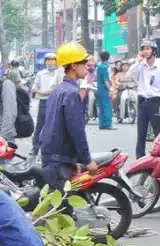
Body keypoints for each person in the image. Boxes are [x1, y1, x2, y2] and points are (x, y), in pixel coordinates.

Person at [38, 42, 98, 199]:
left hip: (52, 154)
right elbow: (76, 130)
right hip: (59, 159)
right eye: (84, 63)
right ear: (73, 65)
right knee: (60, 210)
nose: (88, 66)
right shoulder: (71, 93)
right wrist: (87, 160)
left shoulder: (57, 90)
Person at [126, 39, 160, 159]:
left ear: (154, 51)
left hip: (155, 101)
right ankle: (140, 158)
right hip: (142, 101)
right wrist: (137, 62)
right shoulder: (140, 65)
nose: (145, 51)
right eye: (143, 49)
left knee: (158, 132)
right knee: (141, 132)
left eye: (148, 49)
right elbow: (128, 76)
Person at [30, 52, 59, 156]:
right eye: (49, 59)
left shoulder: (59, 74)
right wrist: (41, 92)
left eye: (53, 59)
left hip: (55, 102)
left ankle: (53, 148)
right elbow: (34, 88)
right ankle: (35, 148)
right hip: (44, 101)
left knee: (54, 126)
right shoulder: (41, 74)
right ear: (45, 61)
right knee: (40, 126)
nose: (51, 62)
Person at [97, 51, 114, 129]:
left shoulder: (99, 66)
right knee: (107, 107)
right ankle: (107, 124)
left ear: (100, 58)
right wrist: (110, 89)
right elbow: (106, 80)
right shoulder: (104, 67)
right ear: (108, 58)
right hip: (104, 90)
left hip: (99, 89)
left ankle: (102, 124)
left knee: (102, 107)